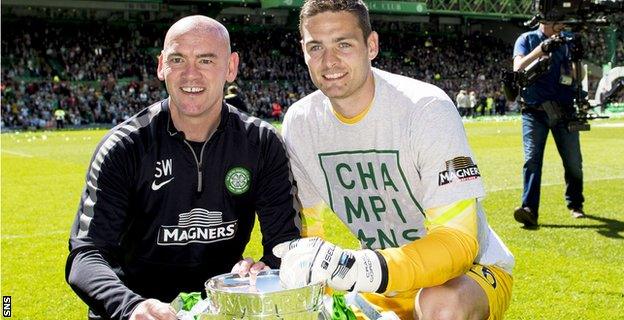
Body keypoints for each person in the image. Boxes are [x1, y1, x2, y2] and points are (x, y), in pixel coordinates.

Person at [275, 1, 514, 319]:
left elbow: (458, 242)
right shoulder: (301, 121)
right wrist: (307, 274)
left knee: (440, 306)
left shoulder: (425, 108)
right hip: (383, 279)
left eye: (343, 44)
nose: (329, 61)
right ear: (303, 50)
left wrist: (361, 269)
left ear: (371, 45)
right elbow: (308, 230)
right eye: (315, 46)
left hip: (469, 273)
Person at [65, 15, 300, 320]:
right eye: (178, 59)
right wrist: (131, 307)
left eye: (206, 60)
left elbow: (285, 247)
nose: (191, 75)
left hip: (217, 312)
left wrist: (265, 269)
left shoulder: (261, 143)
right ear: (161, 65)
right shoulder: (124, 147)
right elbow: (87, 254)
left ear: (231, 67)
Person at [512, 19, 585, 228]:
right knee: (532, 160)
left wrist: (578, 59)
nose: (563, 24)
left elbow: (577, 78)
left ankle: (575, 204)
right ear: (546, 19)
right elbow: (518, 67)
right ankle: (529, 210)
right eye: (559, 20)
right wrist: (541, 49)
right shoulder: (526, 39)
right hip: (534, 111)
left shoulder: (569, 40)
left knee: (573, 162)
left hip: (564, 109)